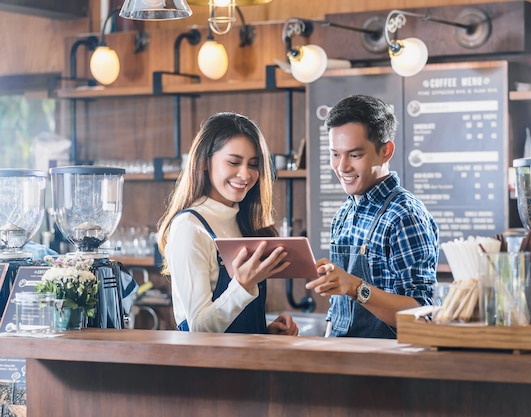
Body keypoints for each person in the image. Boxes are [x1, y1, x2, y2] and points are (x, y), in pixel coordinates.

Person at [305, 94, 439, 338]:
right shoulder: (344, 214)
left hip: (387, 366)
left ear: (386, 151)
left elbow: (422, 313)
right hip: (341, 361)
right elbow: (338, 310)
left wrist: (355, 287)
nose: (342, 167)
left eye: (354, 155)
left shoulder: (404, 215)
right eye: (335, 154)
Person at [157, 112, 298, 335]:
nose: (245, 174)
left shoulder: (243, 223)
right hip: (210, 368)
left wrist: (264, 332)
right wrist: (242, 286)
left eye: (253, 164)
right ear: (204, 162)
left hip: (248, 364)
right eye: (234, 162)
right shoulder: (189, 227)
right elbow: (200, 329)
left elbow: (234, 324)